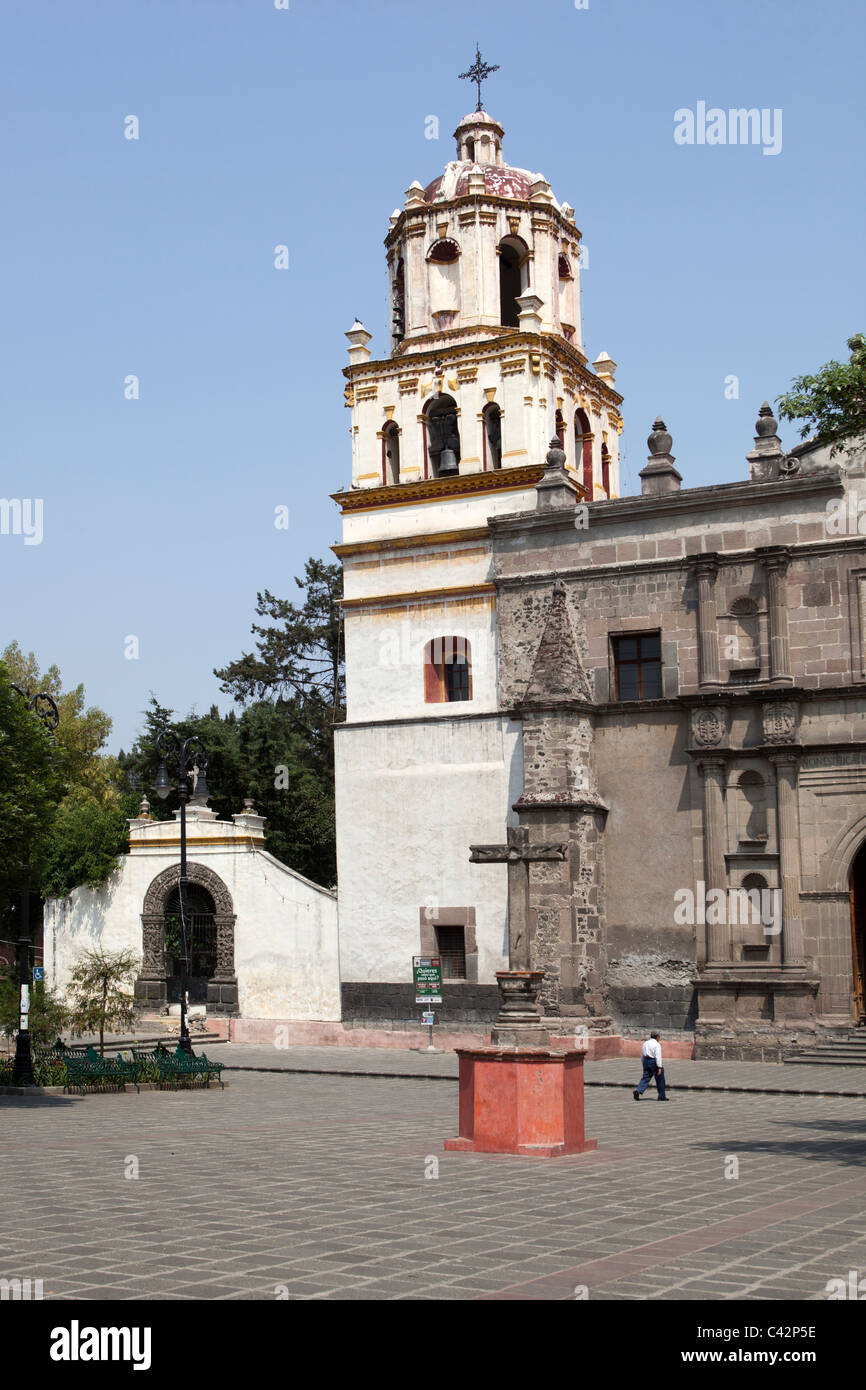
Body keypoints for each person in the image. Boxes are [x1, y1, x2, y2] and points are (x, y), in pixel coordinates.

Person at [633, 1031, 668, 1101]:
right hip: (653, 1062)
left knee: (646, 1077)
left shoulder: (645, 1043)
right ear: (657, 1037)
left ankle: (638, 1090)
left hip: (646, 1061)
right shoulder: (657, 1044)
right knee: (660, 1079)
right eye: (659, 1037)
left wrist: (643, 1063)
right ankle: (661, 1096)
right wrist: (659, 1067)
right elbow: (658, 1056)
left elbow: (642, 1054)